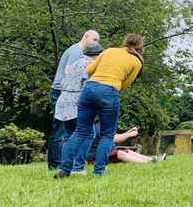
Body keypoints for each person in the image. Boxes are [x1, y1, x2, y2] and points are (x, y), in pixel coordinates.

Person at [56, 33, 144, 178]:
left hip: (89, 88)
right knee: (107, 135)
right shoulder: (136, 62)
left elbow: (89, 70)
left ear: (125, 42)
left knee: (80, 132)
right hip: (109, 92)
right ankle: (99, 172)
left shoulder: (108, 51)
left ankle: (64, 169)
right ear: (140, 46)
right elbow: (125, 84)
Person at [48, 30, 100, 170]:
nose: (96, 43)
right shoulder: (79, 54)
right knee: (68, 132)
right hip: (66, 93)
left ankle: (64, 164)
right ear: (85, 36)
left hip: (63, 94)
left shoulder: (74, 50)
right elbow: (74, 76)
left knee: (68, 133)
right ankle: (61, 164)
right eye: (94, 39)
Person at [54, 41, 103, 143]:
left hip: (64, 100)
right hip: (77, 102)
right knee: (89, 134)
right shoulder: (91, 65)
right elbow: (85, 83)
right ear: (98, 55)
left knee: (69, 135)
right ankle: (78, 159)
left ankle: (67, 159)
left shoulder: (74, 63)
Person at [69, 127, 166, 175]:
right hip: (96, 158)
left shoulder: (104, 126)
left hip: (105, 152)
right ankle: (148, 162)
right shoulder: (100, 127)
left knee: (127, 151)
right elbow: (115, 139)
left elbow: (117, 136)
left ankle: (152, 159)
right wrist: (130, 135)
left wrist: (128, 132)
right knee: (120, 153)